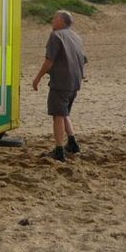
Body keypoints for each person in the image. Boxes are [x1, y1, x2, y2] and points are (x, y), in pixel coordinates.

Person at [31, 10, 87, 161]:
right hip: (75, 82)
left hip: (61, 82)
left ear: (62, 21)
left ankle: (59, 150)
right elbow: (84, 59)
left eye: (54, 17)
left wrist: (37, 78)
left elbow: (49, 61)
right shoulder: (76, 37)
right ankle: (72, 143)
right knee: (64, 113)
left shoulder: (56, 36)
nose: (52, 20)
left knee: (57, 115)